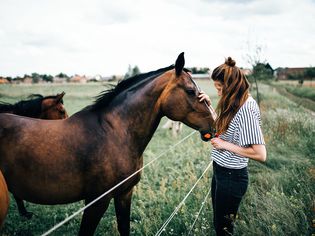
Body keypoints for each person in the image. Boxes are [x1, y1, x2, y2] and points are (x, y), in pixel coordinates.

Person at [198, 57, 266, 236]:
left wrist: (225, 145)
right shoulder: (234, 103)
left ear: (230, 85)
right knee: (219, 224)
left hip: (232, 177)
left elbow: (260, 154)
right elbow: (226, 128)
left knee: (224, 230)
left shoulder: (247, 108)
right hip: (221, 171)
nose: (218, 93)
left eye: (220, 88)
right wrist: (209, 106)